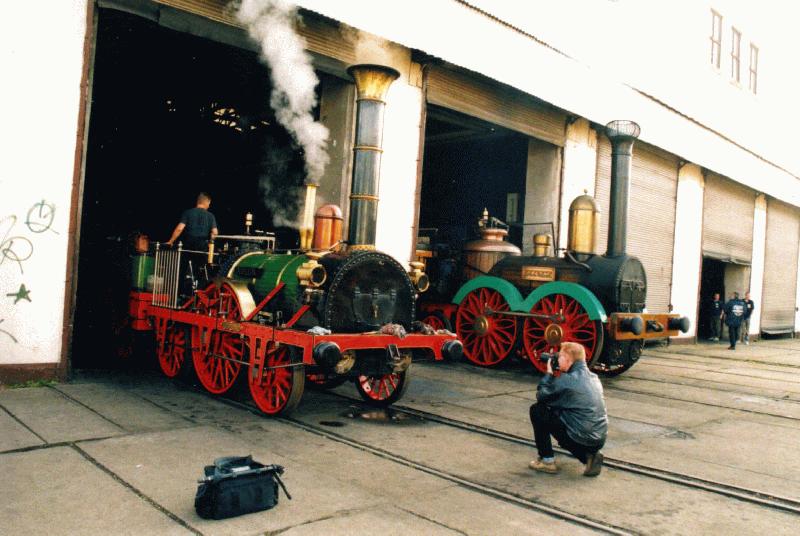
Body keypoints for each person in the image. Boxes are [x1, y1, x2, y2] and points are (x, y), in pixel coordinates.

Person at [528, 342, 608, 477]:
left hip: (580, 436)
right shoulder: (595, 378)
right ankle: (589, 456)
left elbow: (541, 396)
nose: (557, 359)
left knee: (538, 410)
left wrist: (549, 374)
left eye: (559, 356)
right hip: (598, 438)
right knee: (565, 415)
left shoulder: (567, 380)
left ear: (568, 360)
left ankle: (547, 461)